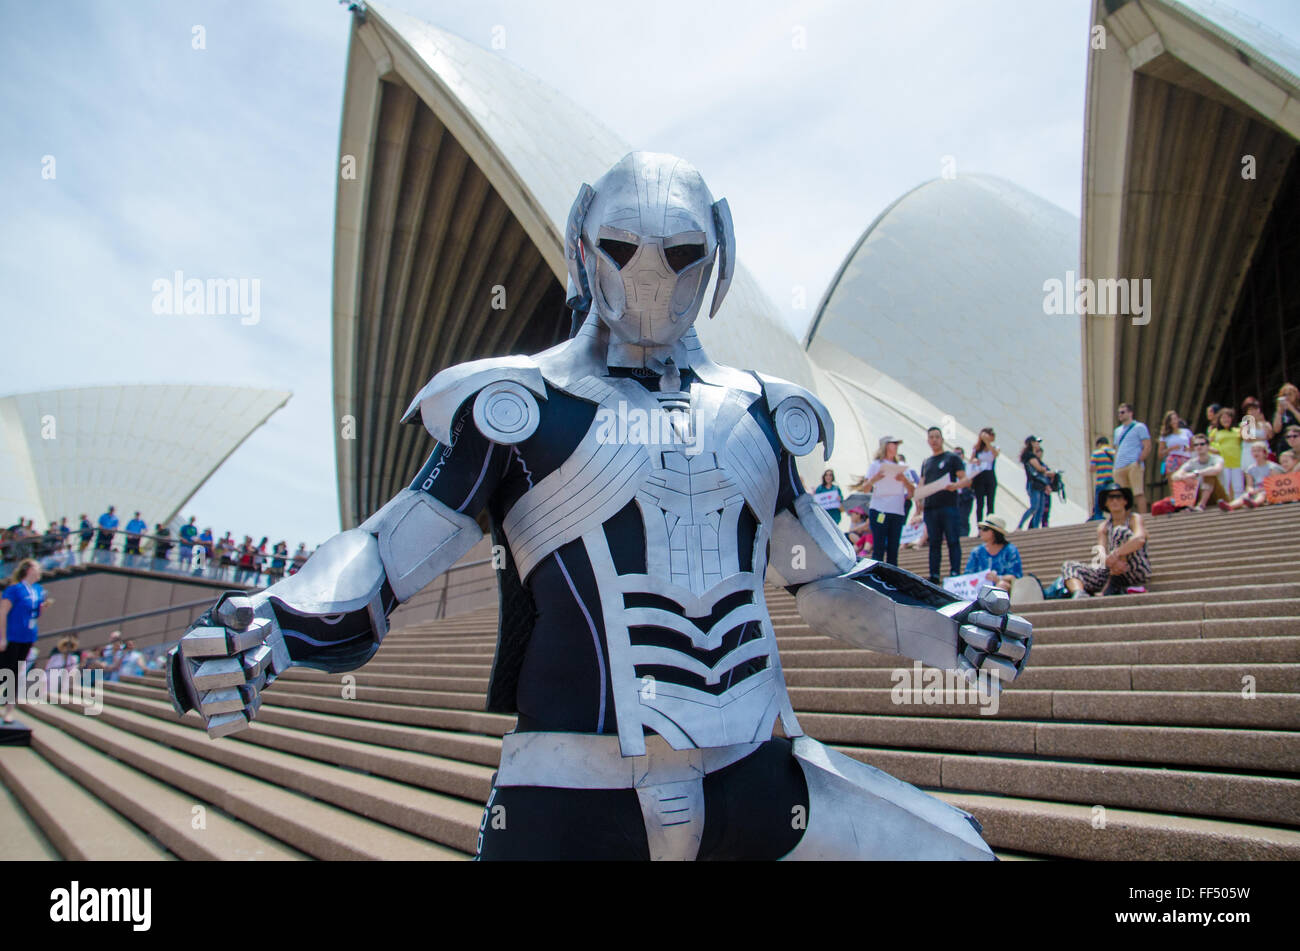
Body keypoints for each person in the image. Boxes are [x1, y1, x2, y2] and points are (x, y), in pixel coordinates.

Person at [165, 152, 1033, 861]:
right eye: (624, 246)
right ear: (585, 243)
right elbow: (390, 552)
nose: (650, 275)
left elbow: (826, 579)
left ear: (718, 251)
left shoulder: (759, 413)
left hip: (756, 778)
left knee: (956, 853)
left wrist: (948, 625)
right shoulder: (519, 405)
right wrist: (273, 623)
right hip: (570, 799)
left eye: (680, 252)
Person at [1061, 482, 1151, 598]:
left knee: (1119, 531)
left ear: (1125, 501)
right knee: (1069, 565)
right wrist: (1111, 561)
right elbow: (1101, 553)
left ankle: (1112, 584)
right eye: (1111, 498)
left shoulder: (1134, 518)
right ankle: (1079, 594)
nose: (1114, 501)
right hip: (1112, 570)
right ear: (1106, 503)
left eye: (1118, 497)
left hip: (1135, 569)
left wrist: (1116, 554)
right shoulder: (1103, 527)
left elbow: (1139, 539)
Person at [910, 426, 965, 584]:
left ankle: (955, 571)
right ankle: (934, 574)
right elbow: (922, 482)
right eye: (931, 437)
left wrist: (955, 486)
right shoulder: (927, 462)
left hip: (948, 505)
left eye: (937, 437)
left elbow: (964, 479)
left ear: (942, 439)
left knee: (952, 539)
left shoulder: (952, 458)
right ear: (928, 441)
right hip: (931, 507)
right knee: (934, 542)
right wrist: (918, 500)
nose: (934, 440)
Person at [0, 559, 47, 723]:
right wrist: (2, 637)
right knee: (4, 671)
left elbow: (35, 613)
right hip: (12, 636)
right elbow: (3, 613)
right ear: (28, 570)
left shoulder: (39, 590)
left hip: (27, 637)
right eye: (37, 567)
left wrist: (42, 609)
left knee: (16, 673)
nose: (40, 570)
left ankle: (9, 710)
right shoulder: (14, 589)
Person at [864, 435, 913, 566]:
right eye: (893, 443)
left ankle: (891, 580)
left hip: (897, 512)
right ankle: (876, 578)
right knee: (878, 548)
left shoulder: (902, 466)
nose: (896, 446)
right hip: (879, 510)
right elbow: (865, 489)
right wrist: (875, 478)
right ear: (885, 446)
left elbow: (911, 493)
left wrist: (905, 480)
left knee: (893, 550)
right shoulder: (876, 465)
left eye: (897, 444)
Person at [964, 516, 1022, 593]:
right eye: (980, 528)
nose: (980, 531)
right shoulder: (976, 552)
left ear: (995, 532)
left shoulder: (1010, 550)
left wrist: (998, 578)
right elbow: (968, 574)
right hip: (978, 588)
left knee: (1002, 585)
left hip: (1001, 587)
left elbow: (1015, 576)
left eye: (985, 529)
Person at [1219, 442, 1284, 511]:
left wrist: (1259, 490)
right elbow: (1249, 485)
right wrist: (1250, 490)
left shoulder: (1272, 467)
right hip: (1255, 490)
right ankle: (1230, 506)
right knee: (1244, 496)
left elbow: (1273, 484)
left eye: (1258, 451)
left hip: (1268, 490)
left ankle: (1254, 503)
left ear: (1265, 453)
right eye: (1254, 451)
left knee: (1262, 494)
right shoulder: (1250, 469)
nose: (1256, 453)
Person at [1111, 402, 1151, 514]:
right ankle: (1126, 519)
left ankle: (1143, 517)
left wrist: (1139, 460)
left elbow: (1147, 445)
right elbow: (1117, 448)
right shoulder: (1117, 431)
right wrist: (1115, 466)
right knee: (1123, 496)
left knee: (1138, 492)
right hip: (1119, 466)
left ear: (1130, 413)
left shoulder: (1139, 427)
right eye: (1119, 413)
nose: (1120, 415)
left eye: (1123, 412)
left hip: (1133, 464)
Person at [1169, 434, 1226, 510]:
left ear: (1208, 446)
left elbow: (1216, 469)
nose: (1199, 446)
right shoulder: (1192, 462)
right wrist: (1184, 477)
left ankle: (1201, 505)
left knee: (1209, 475)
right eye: (1196, 445)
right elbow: (1174, 476)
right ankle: (1187, 506)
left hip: (1219, 497)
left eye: (1202, 444)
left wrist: (1196, 473)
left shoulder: (1217, 459)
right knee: (1183, 479)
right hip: (1199, 495)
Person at [1017, 436, 1054, 530]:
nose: (1038, 444)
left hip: (1040, 484)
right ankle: (1020, 526)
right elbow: (1039, 469)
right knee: (1034, 507)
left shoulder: (1034, 457)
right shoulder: (1030, 456)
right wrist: (1044, 469)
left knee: (1040, 509)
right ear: (1032, 443)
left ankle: (1035, 527)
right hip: (1033, 484)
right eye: (1036, 442)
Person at [1208, 406, 1245, 500]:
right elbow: (1208, 445)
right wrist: (1216, 450)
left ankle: (1238, 503)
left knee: (1238, 486)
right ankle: (1226, 503)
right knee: (1225, 485)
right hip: (1223, 462)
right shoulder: (1215, 432)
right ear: (1219, 420)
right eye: (1223, 417)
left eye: (1228, 417)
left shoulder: (1237, 431)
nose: (1226, 419)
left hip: (1237, 461)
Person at [968, 428, 999, 523]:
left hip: (990, 475)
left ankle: (990, 524)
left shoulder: (995, 448)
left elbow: (995, 454)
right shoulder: (977, 449)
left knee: (990, 502)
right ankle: (979, 525)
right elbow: (971, 460)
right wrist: (975, 461)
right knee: (979, 503)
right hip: (979, 476)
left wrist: (987, 442)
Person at [1156, 410, 1194, 485]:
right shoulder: (1165, 436)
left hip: (1186, 459)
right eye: (1171, 420)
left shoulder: (1186, 432)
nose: (1174, 421)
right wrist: (1171, 449)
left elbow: (1193, 447)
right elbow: (1160, 454)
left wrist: (1188, 449)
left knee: (1188, 485)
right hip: (1172, 460)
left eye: (1175, 419)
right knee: (1174, 485)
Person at [1088, 436, 1116, 520]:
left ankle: (1098, 519)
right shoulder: (1114, 452)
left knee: (1099, 503)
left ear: (1099, 444)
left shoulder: (1096, 453)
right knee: (1112, 501)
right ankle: (1114, 518)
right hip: (1112, 481)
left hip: (1101, 481)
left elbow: (1092, 469)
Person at [1239, 397, 1273, 462]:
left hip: (1264, 450)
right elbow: (1247, 438)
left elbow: (1269, 436)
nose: (1253, 412)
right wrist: (1262, 439)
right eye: (1250, 410)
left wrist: (1263, 422)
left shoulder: (1265, 423)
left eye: (1255, 409)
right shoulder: (1245, 424)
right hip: (1249, 452)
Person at [953, 448, 976, 536]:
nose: (957, 456)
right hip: (955, 495)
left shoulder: (968, 467)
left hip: (966, 495)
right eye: (955, 454)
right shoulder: (950, 468)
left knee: (964, 517)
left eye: (959, 454)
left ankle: (964, 536)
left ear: (963, 455)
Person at [1273, 384, 1300, 455]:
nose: (1287, 397)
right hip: (1285, 444)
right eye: (1284, 395)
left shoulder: (1298, 409)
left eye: (1290, 394)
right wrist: (1279, 413)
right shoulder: (1280, 412)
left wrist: (1291, 408)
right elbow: (1276, 429)